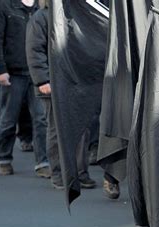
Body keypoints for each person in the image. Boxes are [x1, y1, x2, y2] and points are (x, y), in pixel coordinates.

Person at [25, 0, 96, 189]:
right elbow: (34, 50)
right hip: (52, 85)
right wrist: (42, 80)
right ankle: (59, 174)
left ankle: (80, 173)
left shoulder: (76, 17)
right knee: (56, 130)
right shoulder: (40, 18)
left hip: (77, 83)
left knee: (82, 129)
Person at [0, 0, 50, 177]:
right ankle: (4, 158)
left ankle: (42, 162)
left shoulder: (42, 7)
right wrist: (0, 69)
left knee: (41, 119)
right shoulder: (4, 5)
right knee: (8, 118)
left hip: (37, 74)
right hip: (13, 72)